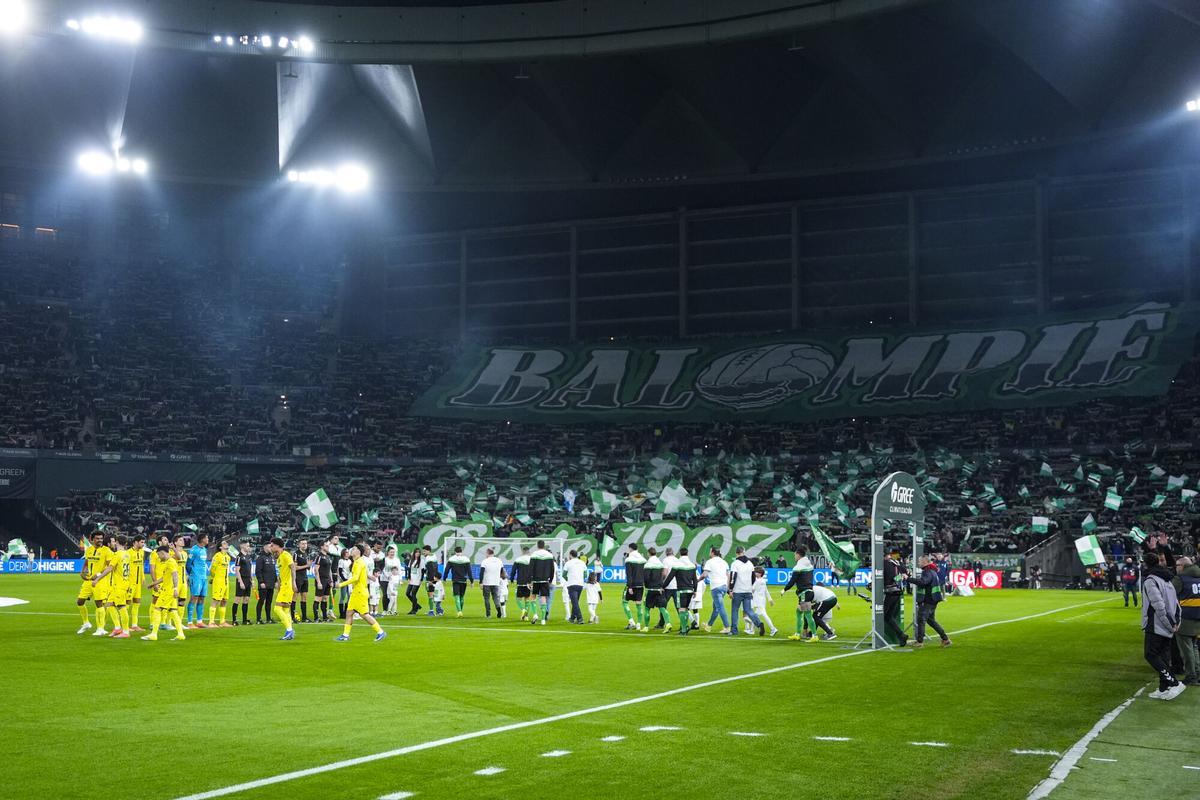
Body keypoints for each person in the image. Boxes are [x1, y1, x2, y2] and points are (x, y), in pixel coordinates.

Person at [1142, 553, 1185, 700]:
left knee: (1151, 654)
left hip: (1157, 625)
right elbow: (1177, 604)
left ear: (1146, 564)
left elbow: (1158, 606)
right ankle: (1163, 687)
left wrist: (1170, 625)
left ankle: (1173, 683)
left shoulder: (1150, 580)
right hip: (1169, 624)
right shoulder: (1168, 580)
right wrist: (1176, 622)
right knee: (1164, 656)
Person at [335, 544, 387, 642]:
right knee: (349, 613)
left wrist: (341, 584)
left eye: (354, 549)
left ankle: (380, 631)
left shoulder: (358, 563)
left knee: (364, 615)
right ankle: (345, 635)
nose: (352, 550)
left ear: (358, 551)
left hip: (360, 592)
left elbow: (355, 578)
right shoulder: (357, 562)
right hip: (356, 592)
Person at [142, 544, 185, 642]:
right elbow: (164, 578)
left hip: (168, 591)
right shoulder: (169, 562)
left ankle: (153, 634)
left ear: (162, 553)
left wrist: (175, 589)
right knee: (174, 611)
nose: (159, 557)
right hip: (169, 590)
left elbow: (175, 575)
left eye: (159, 555)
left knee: (157, 609)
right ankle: (181, 634)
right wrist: (153, 584)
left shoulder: (170, 562)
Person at [92, 534, 131, 638]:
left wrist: (97, 578)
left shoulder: (117, 555)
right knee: (109, 605)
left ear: (117, 542)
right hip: (121, 584)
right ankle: (118, 628)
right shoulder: (127, 554)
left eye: (114, 541)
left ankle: (126, 632)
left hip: (119, 585)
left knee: (121, 607)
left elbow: (109, 569)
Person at [910, 555, 951, 648]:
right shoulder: (932, 570)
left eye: (920, 561)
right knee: (931, 620)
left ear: (925, 562)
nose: (918, 563)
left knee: (921, 619)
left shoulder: (927, 571)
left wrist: (909, 579)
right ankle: (945, 639)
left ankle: (919, 642)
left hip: (928, 599)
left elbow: (923, 582)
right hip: (933, 599)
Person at [1172, 555, 1200, 686]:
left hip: (1185, 618)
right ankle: (1197, 673)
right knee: (1194, 647)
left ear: (1182, 566)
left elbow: (1170, 595)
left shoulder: (1180, 578)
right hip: (1198, 617)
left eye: (1177, 565)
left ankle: (1191, 676)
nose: (1176, 568)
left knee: (1186, 649)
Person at [729, 547, 765, 636]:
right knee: (749, 610)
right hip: (748, 591)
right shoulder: (750, 563)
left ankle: (734, 630)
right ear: (743, 552)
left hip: (738, 591)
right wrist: (749, 586)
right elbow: (753, 578)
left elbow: (733, 577)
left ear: (736, 553)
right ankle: (759, 624)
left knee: (735, 610)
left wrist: (730, 589)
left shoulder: (735, 563)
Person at [783, 547, 815, 641]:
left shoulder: (798, 567)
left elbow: (793, 580)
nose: (794, 557)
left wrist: (785, 589)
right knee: (799, 612)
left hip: (804, 593)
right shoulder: (809, 564)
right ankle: (797, 634)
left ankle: (814, 636)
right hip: (807, 592)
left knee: (808, 614)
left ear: (798, 554)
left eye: (795, 555)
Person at [75, 531, 104, 634]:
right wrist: (82, 571)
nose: (100, 540)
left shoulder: (106, 551)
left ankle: (101, 628)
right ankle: (86, 623)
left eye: (101, 538)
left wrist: (99, 574)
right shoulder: (89, 550)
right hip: (88, 580)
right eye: (97, 538)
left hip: (99, 581)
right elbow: (87, 561)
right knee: (80, 602)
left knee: (99, 604)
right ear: (92, 539)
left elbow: (110, 566)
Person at [268, 537, 296, 641]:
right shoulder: (279, 557)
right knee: (285, 609)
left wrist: (293, 583)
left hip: (287, 585)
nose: (271, 547)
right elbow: (280, 574)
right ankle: (290, 631)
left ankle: (289, 630)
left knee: (277, 608)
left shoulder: (286, 555)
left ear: (277, 546)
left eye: (272, 545)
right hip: (283, 586)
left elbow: (293, 568)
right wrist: (278, 585)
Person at [701, 547, 730, 633]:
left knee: (720, 607)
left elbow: (705, 574)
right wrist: (728, 588)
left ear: (713, 552)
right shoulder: (724, 562)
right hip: (724, 586)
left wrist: (697, 580)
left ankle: (727, 627)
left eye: (710, 551)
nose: (709, 553)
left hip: (716, 587)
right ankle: (709, 625)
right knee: (716, 608)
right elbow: (728, 575)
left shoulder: (709, 562)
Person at [883, 550, 908, 647]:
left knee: (882, 614)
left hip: (890, 592)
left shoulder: (884, 563)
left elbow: (884, 577)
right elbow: (906, 573)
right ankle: (901, 635)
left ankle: (878, 638)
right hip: (898, 592)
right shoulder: (897, 563)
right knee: (888, 616)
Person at [670, 547, 697, 636]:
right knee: (685, 609)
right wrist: (695, 590)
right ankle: (685, 627)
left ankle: (684, 630)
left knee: (681, 609)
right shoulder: (692, 565)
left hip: (681, 590)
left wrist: (663, 586)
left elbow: (670, 577)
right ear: (687, 553)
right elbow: (695, 579)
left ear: (680, 553)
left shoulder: (677, 564)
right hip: (690, 590)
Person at [529, 540, 556, 625]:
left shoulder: (534, 555)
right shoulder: (549, 555)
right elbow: (552, 569)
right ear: (544, 546)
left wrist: (530, 580)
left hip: (536, 579)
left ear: (537, 545)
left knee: (533, 596)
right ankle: (543, 619)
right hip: (545, 580)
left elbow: (531, 568)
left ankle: (535, 614)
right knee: (543, 597)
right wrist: (550, 580)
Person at [643, 547, 670, 632]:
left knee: (647, 608)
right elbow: (663, 576)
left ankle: (646, 627)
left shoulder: (648, 564)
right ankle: (668, 624)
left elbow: (646, 578)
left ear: (648, 553)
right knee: (662, 608)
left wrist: (646, 586)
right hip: (659, 589)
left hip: (651, 589)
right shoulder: (660, 564)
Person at [206, 539, 232, 627]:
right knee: (216, 600)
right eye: (224, 543)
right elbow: (212, 569)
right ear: (220, 547)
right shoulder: (217, 556)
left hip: (226, 581)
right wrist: (214, 578)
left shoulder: (228, 557)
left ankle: (222, 622)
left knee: (224, 600)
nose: (226, 544)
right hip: (219, 581)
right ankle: (211, 622)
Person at [186, 532, 210, 628]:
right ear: (202, 539)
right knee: (194, 597)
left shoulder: (204, 549)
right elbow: (188, 564)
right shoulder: (193, 550)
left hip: (204, 577)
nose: (208, 540)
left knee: (202, 598)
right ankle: (190, 622)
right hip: (196, 577)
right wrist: (192, 574)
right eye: (207, 538)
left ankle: (199, 621)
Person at [444, 546, 474, 617]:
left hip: (455, 580)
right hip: (463, 581)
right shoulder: (466, 559)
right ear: (461, 551)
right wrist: (471, 581)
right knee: (462, 597)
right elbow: (470, 572)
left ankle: (459, 611)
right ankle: (460, 611)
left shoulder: (452, 559)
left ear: (455, 552)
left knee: (456, 596)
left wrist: (444, 578)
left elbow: (446, 570)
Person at [747, 566, 777, 636]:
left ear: (760, 573)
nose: (755, 573)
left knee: (764, 615)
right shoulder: (763, 581)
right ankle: (752, 630)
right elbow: (766, 591)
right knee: (755, 616)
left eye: (756, 572)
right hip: (762, 600)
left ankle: (773, 629)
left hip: (758, 601)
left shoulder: (758, 581)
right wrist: (770, 599)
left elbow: (752, 589)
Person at [126, 534, 147, 633]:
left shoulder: (142, 552)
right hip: (130, 582)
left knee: (137, 603)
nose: (143, 544)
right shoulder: (128, 553)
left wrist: (143, 578)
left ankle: (134, 625)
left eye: (144, 542)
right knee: (127, 604)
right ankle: (124, 625)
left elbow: (141, 566)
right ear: (135, 542)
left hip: (138, 583)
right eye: (141, 542)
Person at [623, 544, 646, 631]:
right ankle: (639, 624)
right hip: (641, 585)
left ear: (630, 548)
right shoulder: (643, 560)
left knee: (624, 602)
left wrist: (630, 586)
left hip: (632, 584)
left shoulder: (628, 560)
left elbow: (629, 574)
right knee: (639, 605)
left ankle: (631, 622)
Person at [479, 547, 505, 618]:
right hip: (496, 582)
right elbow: (502, 571)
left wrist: (480, 582)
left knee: (487, 598)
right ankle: (498, 610)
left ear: (487, 553)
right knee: (495, 597)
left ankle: (488, 614)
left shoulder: (485, 561)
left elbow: (481, 572)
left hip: (486, 582)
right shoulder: (499, 560)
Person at [232, 541, 253, 625]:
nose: (249, 547)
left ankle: (244, 620)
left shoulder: (248, 557)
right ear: (242, 546)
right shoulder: (239, 557)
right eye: (247, 546)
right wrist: (240, 582)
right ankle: (234, 620)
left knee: (246, 599)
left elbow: (250, 569)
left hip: (248, 580)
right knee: (237, 599)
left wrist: (252, 579)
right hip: (242, 580)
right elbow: (237, 570)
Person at [563, 549, 586, 624]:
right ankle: (572, 618)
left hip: (572, 584)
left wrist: (568, 579)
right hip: (580, 584)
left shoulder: (568, 563)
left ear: (570, 555)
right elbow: (585, 574)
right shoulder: (582, 563)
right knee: (575, 602)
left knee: (574, 602)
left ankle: (580, 618)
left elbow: (563, 574)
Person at [255, 544, 277, 624]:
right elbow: (258, 571)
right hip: (264, 584)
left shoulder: (272, 557)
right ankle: (258, 619)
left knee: (269, 602)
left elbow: (274, 571)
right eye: (269, 546)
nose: (271, 548)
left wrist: (276, 581)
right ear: (264, 547)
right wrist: (261, 582)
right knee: (261, 601)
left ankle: (268, 618)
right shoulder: (260, 558)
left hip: (271, 584)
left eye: (272, 546)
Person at [312, 540, 334, 622]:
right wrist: (318, 582)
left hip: (327, 580)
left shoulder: (328, 557)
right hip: (321, 580)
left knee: (325, 599)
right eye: (326, 546)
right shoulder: (319, 556)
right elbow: (316, 570)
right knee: (318, 598)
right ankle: (316, 617)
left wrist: (331, 580)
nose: (327, 547)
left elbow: (329, 570)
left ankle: (325, 617)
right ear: (322, 547)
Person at [293, 538, 312, 623]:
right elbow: (295, 568)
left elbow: (307, 567)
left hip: (305, 577)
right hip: (298, 578)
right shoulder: (296, 554)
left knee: (304, 597)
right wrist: (306, 565)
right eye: (303, 544)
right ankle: (292, 616)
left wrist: (309, 566)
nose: (305, 545)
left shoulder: (306, 554)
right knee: (294, 597)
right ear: (299, 545)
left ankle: (304, 617)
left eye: (305, 543)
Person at [382, 545, 403, 616]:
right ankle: (385, 610)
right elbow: (383, 569)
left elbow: (399, 569)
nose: (392, 553)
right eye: (391, 552)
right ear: (388, 552)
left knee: (393, 595)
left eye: (393, 552)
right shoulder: (385, 559)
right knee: (385, 594)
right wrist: (388, 576)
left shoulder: (397, 560)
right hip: (384, 579)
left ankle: (391, 610)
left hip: (394, 580)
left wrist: (400, 579)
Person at [405, 549, 423, 615]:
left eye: (419, 552)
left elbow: (423, 571)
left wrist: (421, 580)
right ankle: (416, 605)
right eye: (416, 552)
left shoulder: (421, 561)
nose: (417, 553)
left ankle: (414, 609)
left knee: (413, 593)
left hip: (417, 579)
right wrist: (409, 577)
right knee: (407, 593)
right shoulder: (411, 561)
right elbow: (409, 569)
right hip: (412, 579)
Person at [338, 548, 355, 618]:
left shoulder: (350, 561)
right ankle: (341, 613)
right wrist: (344, 579)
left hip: (349, 579)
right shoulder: (341, 561)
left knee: (349, 596)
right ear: (343, 553)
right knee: (343, 596)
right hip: (344, 580)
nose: (348, 554)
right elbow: (340, 571)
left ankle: (345, 612)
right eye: (346, 552)